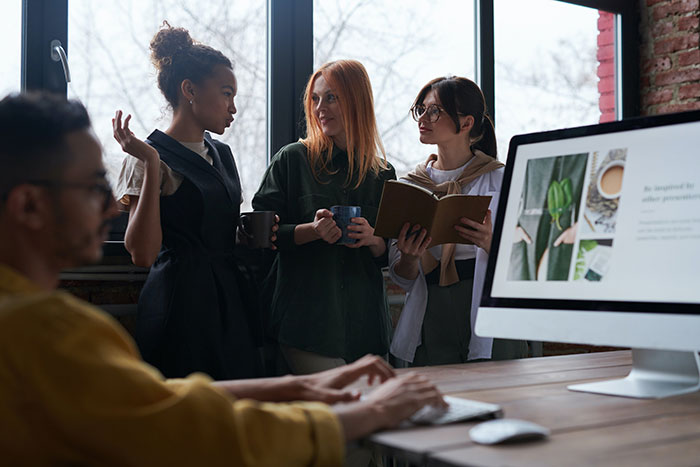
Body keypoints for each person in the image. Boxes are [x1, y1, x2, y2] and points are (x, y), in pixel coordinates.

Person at [0, 92, 447, 466]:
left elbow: (162, 399)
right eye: (93, 186)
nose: (110, 205)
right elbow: (185, 430)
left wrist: (303, 387)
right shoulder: (44, 329)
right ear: (29, 206)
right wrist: (371, 413)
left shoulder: (32, 320)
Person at [113, 24, 269, 379]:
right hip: (180, 302)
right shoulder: (145, 157)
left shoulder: (222, 154)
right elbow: (143, 254)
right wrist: (152, 164)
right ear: (189, 90)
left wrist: (244, 235)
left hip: (229, 299)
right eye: (226, 93)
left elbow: (215, 229)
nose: (233, 107)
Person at [252, 60, 396, 374]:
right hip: (307, 326)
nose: (320, 108)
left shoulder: (383, 174)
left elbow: (387, 255)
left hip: (368, 327)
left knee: (378, 415)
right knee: (340, 414)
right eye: (315, 99)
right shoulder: (292, 160)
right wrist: (312, 231)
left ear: (357, 101)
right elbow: (260, 237)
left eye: (331, 97)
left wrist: (373, 240)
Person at [389, 76, 529, 366]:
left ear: (465, 124)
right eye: (421, 109)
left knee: (496, 400)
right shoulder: (409, 186)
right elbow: (401, 276)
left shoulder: (502, 180)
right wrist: (409, 257)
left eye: (435, 111)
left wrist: (492, 243)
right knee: (436, 404)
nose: (423, 118)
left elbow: (530, 262)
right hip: (431, 314)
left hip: (487, 312)